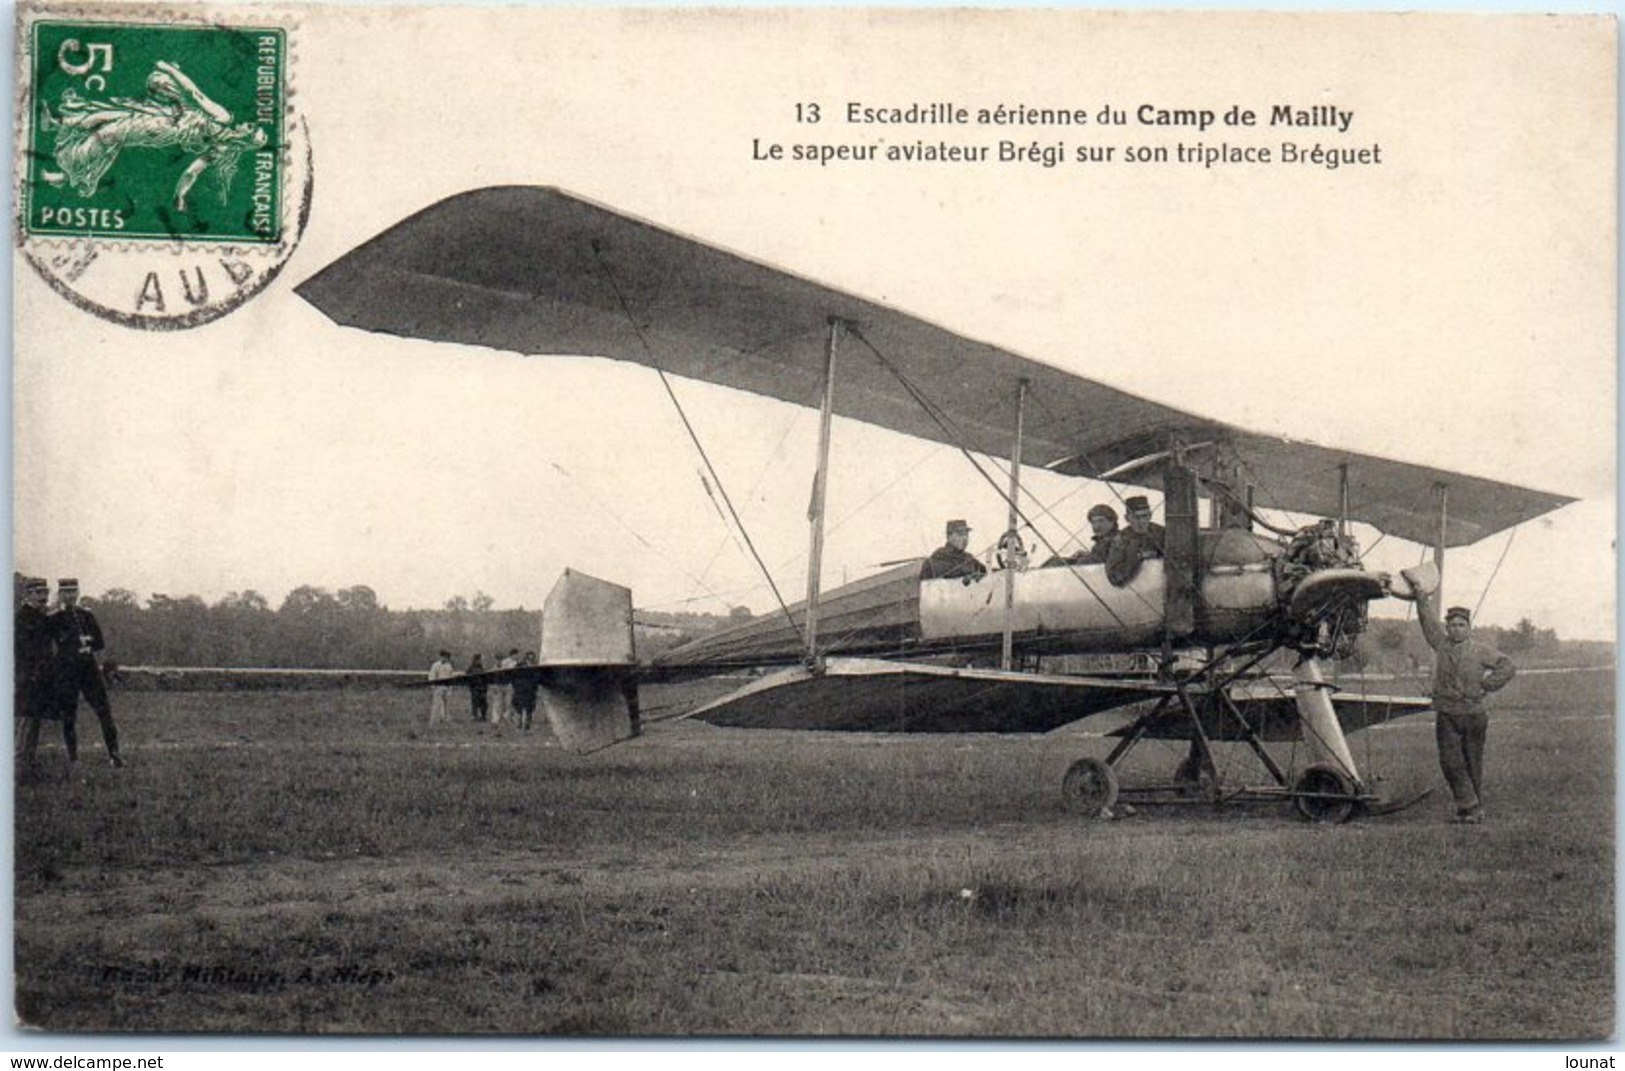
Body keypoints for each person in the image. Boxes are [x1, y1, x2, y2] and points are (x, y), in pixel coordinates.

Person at [1408, 574, 1516, 824]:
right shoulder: (1441, 645)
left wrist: (1488, 684)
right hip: (1447, 714)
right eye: (1452, 625)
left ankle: (1471, 812)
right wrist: (1420, 594)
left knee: (1472, 762)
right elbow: (1427, 622)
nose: (1456, 629)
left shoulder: (1481, 650)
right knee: (1450, 762)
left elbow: (1507, 666)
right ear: (1447, 628)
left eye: (1460, 625)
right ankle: (1470, 806)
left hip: (1474, 715)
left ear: (1469, 628)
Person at [50, 578, 122, 767]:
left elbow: (99, 643)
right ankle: (73, 758)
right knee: (69, 715)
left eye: (74, 592)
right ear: (60, 595)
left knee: (104, 711)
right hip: (67, 671)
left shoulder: (86, 615)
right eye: (66, 592)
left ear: (78, 593)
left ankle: (114, 755)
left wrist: (88, 643)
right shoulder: (54, 618)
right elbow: (50, 645)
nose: (71, 596)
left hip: (88, 669)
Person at [14, 577, 60, 770]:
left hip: (39, 674)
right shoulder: (23, 616)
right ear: (29, 595)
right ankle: (19, 758)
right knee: (26, 717)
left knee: (34, 717)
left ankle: (27, 758)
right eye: (39, 593)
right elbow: (24, 648)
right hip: (27, 674)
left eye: (45, 593)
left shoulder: (40, 616)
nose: (44, 597)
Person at [1105, 496, 1165, 586]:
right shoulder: (1121, 539)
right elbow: (1114, 576)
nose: (1142, 521)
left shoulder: (1161, 532)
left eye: (1145, 516)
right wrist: (1137, 557)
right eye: (1136, 517)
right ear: (1127, 518)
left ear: (1150, 515)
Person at [1045, 504, 1120, 566]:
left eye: (1101, 521)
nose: (1096, 526)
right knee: (1054, 561)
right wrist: (1087, 555)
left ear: (1112, 521)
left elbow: (1100, 560)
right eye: (1093, 522)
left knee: (1055, 563)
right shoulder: (1103, 540)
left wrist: (1082, 559)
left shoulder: (1118, 539)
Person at [920, 519, 987, 581]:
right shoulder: (937, 558)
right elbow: (945, 572)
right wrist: (967, 573)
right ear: (949, 537)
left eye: (966, 534)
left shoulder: (969, 558)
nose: (964, 538)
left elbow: (986, 571)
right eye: (960, 534)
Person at [511, 651, 540, 731]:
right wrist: (516, 686)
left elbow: (537, 677)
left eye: (532, 658)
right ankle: (519, 723)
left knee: (529, 707)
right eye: (529, 657)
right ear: (526, 658)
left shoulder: (535, 666)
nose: (530, 659)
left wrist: (535, 687)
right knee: (519, 707)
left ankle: (527, 723)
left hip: (530, 690)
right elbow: (514, 676)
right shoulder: (520, 666)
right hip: (521, 689)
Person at [427, 650, 456, 725]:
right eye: (444, 657)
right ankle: (434, 721)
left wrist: (450, 688)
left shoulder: (449, 666)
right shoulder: (436, 665)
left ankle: (446, 719)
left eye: (446, 657)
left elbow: (451, 676)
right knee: (437, 704)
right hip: (438, 687)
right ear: (441, 657)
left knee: (447, 704)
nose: (445, 658)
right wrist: (433, 686)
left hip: (446, 687)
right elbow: (432, 676)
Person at [492, 648, 519, 726]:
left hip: (507, 684)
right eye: (497, 658)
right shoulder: (497, 665)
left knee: (508, 702)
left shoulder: (511, 663)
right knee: (498, 703)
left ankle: (505, 717)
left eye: (500, 658)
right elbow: (494, 676)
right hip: (499, 685)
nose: (499, 660)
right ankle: (496, 720)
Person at [465, 653, 489, 722]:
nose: (480, 661)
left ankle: (483, 716)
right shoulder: (471, 668)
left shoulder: (481, 668)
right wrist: (471, 686)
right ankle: (475, 716)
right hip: (475, 688)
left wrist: (485, 687)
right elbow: (467, 677)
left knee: (484, 703)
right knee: (475, 703)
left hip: (482, 688)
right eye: (480, 660)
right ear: (476, 660)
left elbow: (485, 678)